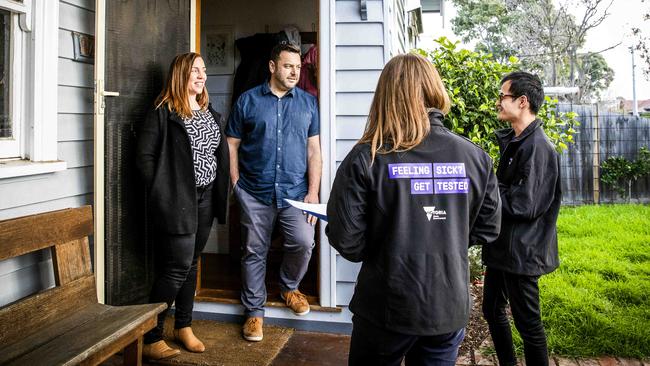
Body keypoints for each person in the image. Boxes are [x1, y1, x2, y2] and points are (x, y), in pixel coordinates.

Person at [326, 53, 502, 366]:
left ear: (385, 96)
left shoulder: (366, 158)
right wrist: (442, 236)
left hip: (385, 307)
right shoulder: (475, 157)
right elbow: (488, 228)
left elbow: (347, 241)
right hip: (446, 306)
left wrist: (391, 243)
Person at [135, 52, 230, 360]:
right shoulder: (163, 112)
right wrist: (164, 193)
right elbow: (144, 160)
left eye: (203, 70)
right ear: (180, 76)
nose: (202, 76)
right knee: (175, 268)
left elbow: (215, 154)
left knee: (191, 263)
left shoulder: (206, 110)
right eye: (194, 72)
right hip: (178, 201)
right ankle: (149, 337)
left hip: (205, 198)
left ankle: (184, 327)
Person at [226, 43, 322, 342]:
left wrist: (313, 193)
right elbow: (232, 143)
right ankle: (254, 312)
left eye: (298, 67)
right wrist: (236, 183)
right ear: (272, 67)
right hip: (254, 191)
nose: (294, 72)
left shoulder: (308, 103)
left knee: (304, 242)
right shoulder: (248, 101)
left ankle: (289, 287)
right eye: (288, 66)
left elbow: (314, 149)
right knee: (254, 251)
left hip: (296, 193)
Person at [482, 71, 561, 366]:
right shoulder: (517, 142)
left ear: (522, 101)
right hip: (504, 249)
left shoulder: (538, 147)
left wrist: (488, 186)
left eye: (503, 96)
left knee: (529, 326)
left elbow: (525, 204)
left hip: (523, 252)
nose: (499, 102)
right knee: (491, 310)